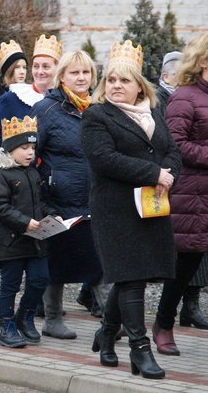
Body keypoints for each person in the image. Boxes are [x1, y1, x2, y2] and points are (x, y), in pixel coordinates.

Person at [80, 40, 181, 379]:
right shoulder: (96, 115)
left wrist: (168, 174)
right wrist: (154, 173)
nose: (116, 86)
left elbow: (172, 152)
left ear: (140, 85)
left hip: (150, 207)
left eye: (124, 80)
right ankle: (140, 349)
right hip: (115, 210)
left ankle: (107, 334)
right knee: (131, 278)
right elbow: (104, 159)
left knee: (129, 278)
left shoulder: (153, 113)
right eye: (111, 80)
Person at [153, 31, 208, 362]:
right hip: (197, 195)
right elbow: (175, 146)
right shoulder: (183, 98)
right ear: (202, 59)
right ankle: (163, 324)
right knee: (185, 264)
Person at [29, 50, 104, 340]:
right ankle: (51, 319)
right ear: (62, 76)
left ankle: (113, 320)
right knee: (54, 264)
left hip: (93, 201)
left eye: (86, 72)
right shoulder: (45, 110)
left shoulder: (97, 109)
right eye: (75, 72)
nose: (81, 78)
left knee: (100, 263)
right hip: (56, 202)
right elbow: (28, 156)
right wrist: (41, 200)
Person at [155, 50, 208, 331]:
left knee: (200, 243)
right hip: (170, 177)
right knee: (182, 249)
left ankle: (190, 307)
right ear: (167, 76)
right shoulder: (159, 99)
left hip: (198, 180)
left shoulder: (197, 97)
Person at [0, 116, 56, 348]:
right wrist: (24, 223)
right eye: (24, 148)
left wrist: (52, 214)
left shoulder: (32, 173)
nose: (30, 153)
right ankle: (7, 326)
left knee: (40, 279)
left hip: (35, 241)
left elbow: (39, 203)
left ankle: (24, 317)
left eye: (32, 148)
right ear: (10, 149)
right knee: (10, 285)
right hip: (11, 242)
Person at [0, 36, 61, 148]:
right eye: (36, 66)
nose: (40, 71)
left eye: (46, 66)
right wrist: (16, 153)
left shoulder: (64, 99)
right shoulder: (13, 97)